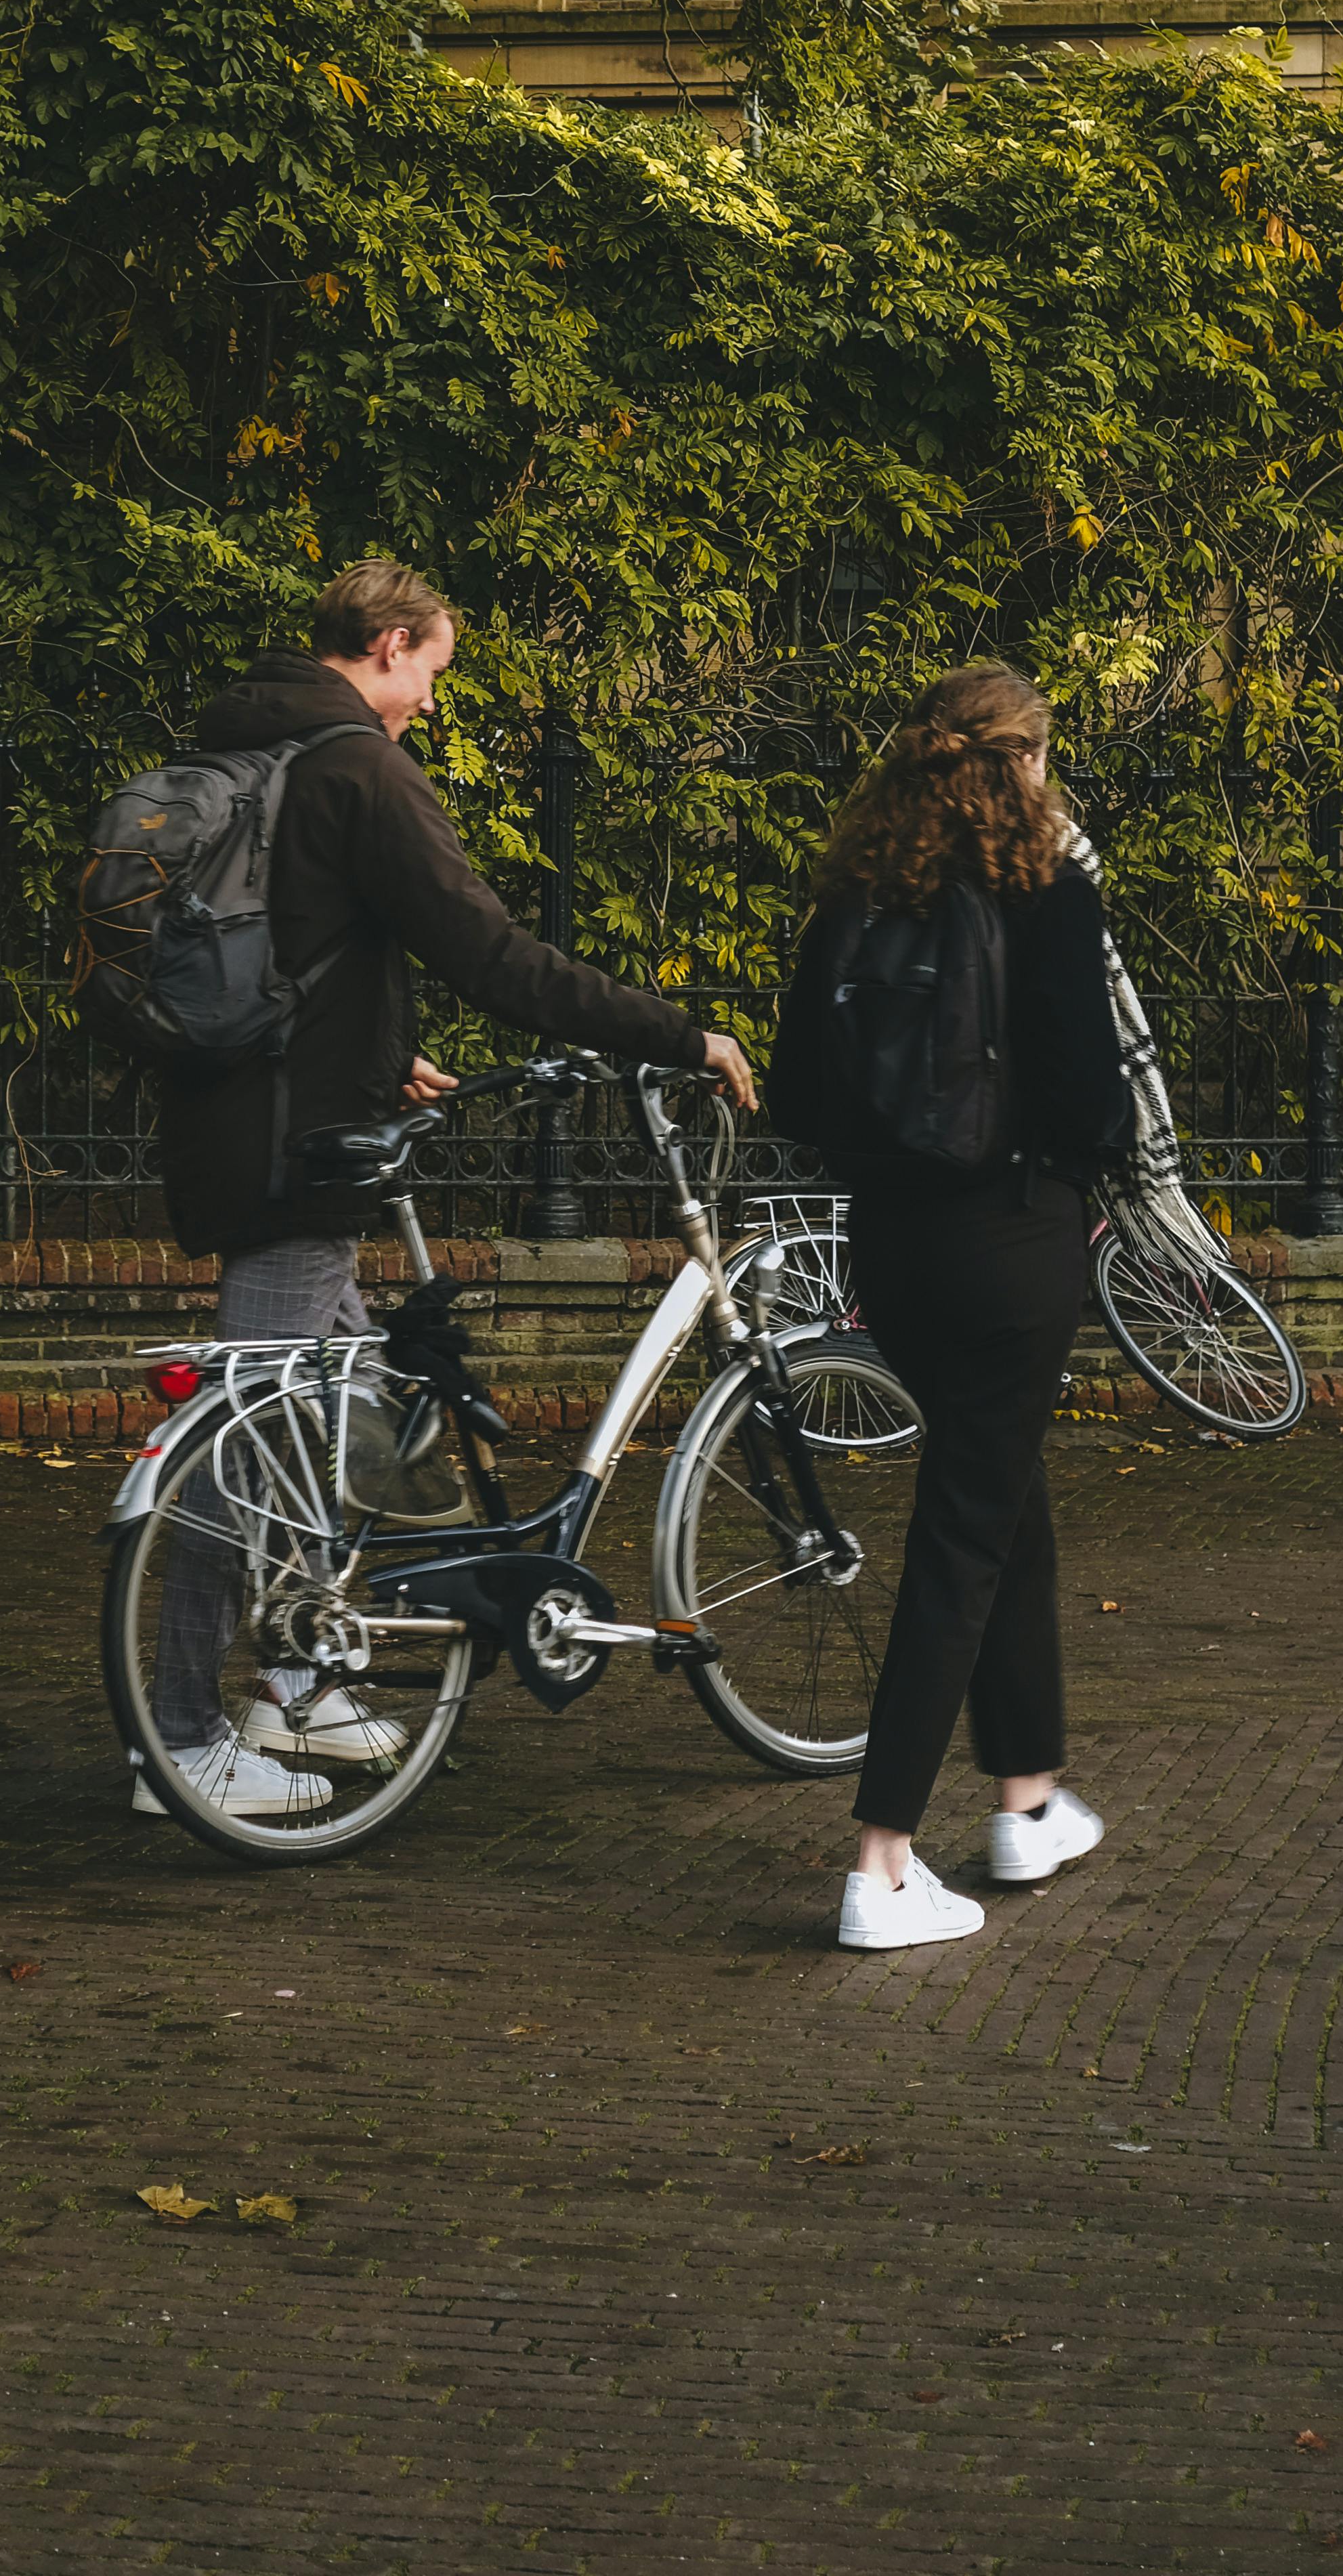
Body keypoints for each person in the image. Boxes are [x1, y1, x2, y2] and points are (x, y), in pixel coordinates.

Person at [142, 555, 759, 1818]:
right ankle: (180, 1741)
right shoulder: (357, 767)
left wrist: (373, 1050)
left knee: (369, 1408)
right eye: (430, 669)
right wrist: (679, 1036)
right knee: (245, 1449)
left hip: (255, 1121)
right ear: (388, 643)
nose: (430, 698)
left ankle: (298, 1682)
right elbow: (488, 951)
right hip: (292, 1160)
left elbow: (296, 947)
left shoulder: (255, 747)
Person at [767, 663, 1123, 1951]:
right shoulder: (1045, 890)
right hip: (1011, 1237)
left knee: (999, 1487)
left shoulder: (862, 891)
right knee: (962, 1535)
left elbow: (802, 1091)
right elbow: (1095, 1096)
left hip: (890, 1247)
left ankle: (1027, 1798)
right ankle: (883, 1861)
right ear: (1024, 762)